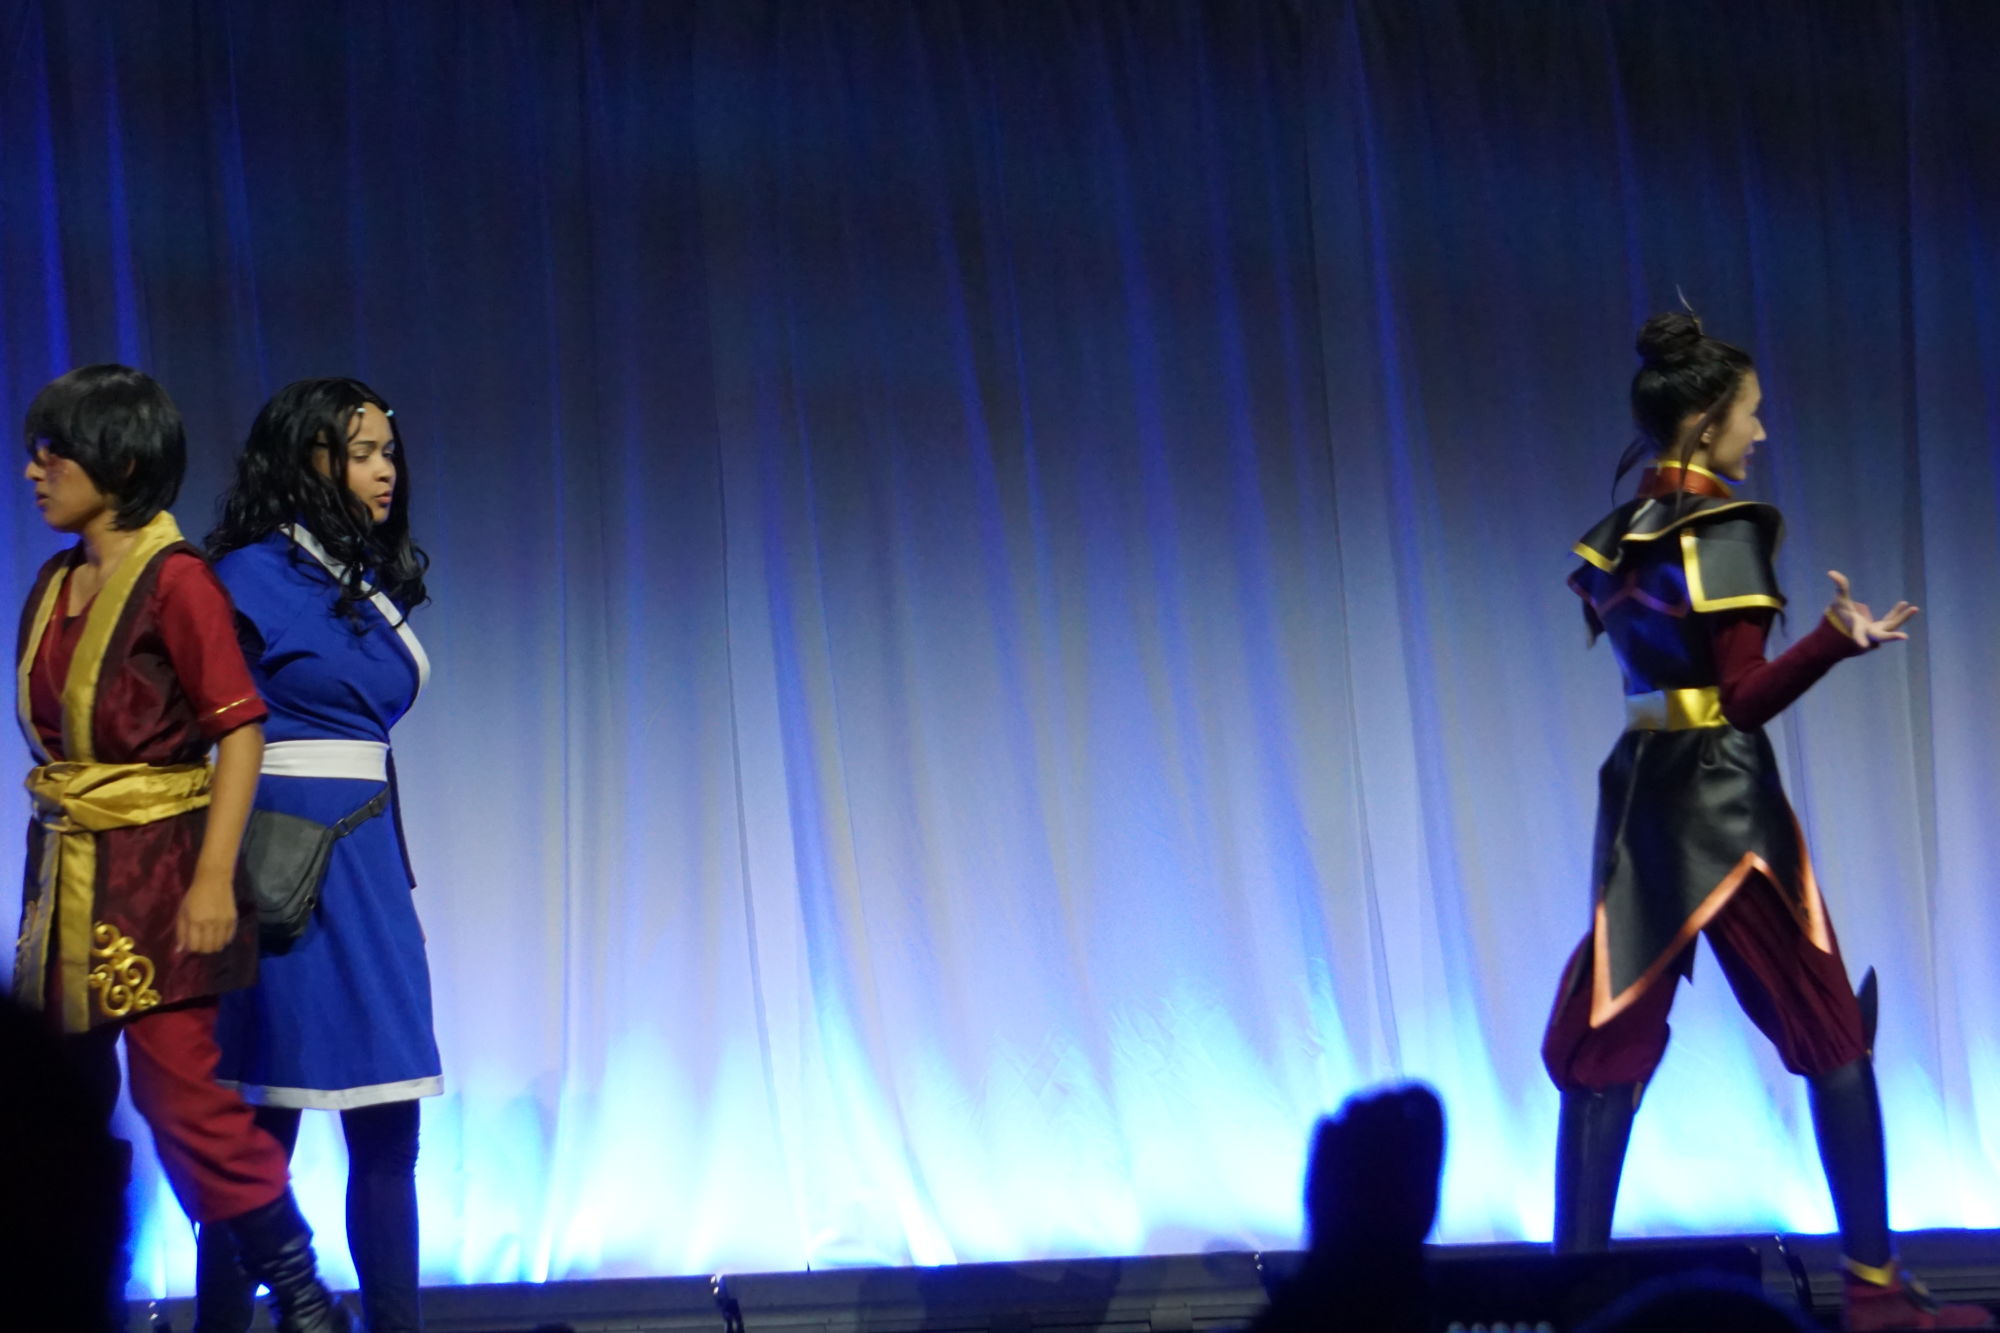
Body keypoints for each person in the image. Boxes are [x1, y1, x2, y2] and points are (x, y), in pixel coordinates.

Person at [1542, 314, 1989, 1331]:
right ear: (1704, 424)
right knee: (1831, 1029)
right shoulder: (1727, 527)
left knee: (1607, 1041)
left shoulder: (1618, 533)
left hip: (1643, 794)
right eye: (1749, 413)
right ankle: (1875, 1294)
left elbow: (1664, 675)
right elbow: (1739, 700)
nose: (1761, 431)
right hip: (1723, 802)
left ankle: (1568, 1302)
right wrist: (1834, 639)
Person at [11, 364, 350, 1332]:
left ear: (120, 462)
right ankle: (71, 1288)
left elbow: (240, 729)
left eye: (55, 453)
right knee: (51, 1100)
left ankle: (303, 1299)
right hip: (71, 869)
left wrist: (211, 881)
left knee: (180, 1096)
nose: (35, 471)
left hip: (160, 870)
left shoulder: (179, 581)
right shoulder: (55, 580)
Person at [194, 378, 440, 1333]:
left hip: (369, 861)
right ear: (308, 460)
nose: (386, 470)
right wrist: (210, 877)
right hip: (279, 863)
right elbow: (205, 732)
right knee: (258, 1131)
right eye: (363, 451)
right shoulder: (244, 577)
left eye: (389, 451)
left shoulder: (360, 578)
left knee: (390, 1125)